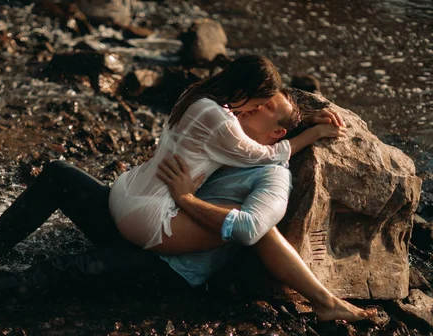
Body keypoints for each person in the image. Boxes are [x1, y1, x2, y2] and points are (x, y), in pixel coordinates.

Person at [0, 89, 374, 322]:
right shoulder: (226, 136)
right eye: (247, 103)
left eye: (254, 110)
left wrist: (186, 199)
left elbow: (254, 228)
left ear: (274, 133)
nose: (239, 110)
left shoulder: (270, 174)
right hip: (143, 226)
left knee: (78, 265)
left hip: (172, 269)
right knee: (59, 174)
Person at [108, 55, 346, 253]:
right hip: (144, 218)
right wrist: (315, 133)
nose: (256, 109)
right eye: (258, 103)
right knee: (251, 227)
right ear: (246, 91)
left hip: (124, 191)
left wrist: (302, 119)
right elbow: (266, 154)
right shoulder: (221, 120)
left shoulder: (198, 95)